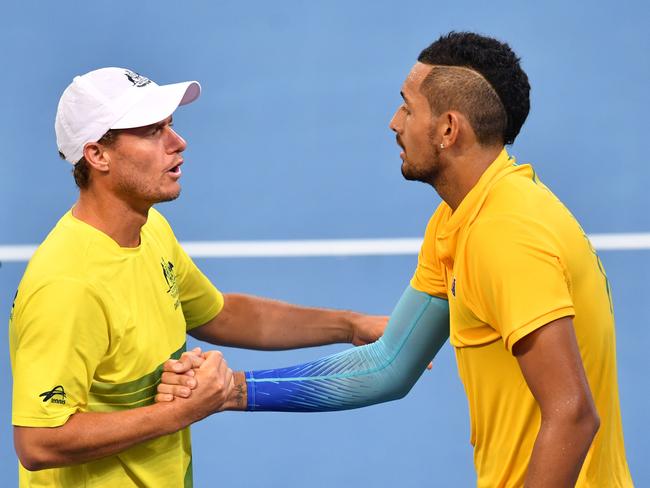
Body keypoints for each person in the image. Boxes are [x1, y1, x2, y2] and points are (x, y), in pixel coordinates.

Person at [160, 32, 633, 486]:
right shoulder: (459, 219)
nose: (394, 121)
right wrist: (232, 389)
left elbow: (572, 414)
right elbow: (389, 364)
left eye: (408, 107)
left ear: (449, 129)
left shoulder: (505, 233)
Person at [8, 67, 387, 487]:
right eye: (152, 131)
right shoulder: (68, 286)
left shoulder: (148, 229)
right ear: (98, 155)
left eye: (170, 125)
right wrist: (178, 413)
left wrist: (351, 325)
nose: (178, 142)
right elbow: (39, 441)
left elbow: (218, 315)